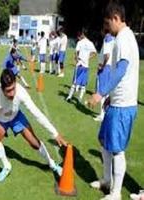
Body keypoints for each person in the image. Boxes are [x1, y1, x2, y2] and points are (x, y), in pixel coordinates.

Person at [88, 2, 139, 200]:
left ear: (116, 18)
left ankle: (115, 193)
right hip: (116, 102)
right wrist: (109, 97)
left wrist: (101, 93)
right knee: (103, 141)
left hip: (123, 105)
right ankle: (107, 180)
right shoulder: (123, 37)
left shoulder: (124, 39)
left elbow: (121, 70)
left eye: (108, 22)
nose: (107, 27)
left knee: (117, 150)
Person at [0, 69, 68, 182]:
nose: (12, 94)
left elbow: (36, 113)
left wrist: (55, 133)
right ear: (1, 89)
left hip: (16, 117)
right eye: (8, 91)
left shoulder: (20, 92)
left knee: (34, 142)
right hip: (0, 121)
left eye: (13, 88)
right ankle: (7, 166)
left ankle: (52, 164)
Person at [66, 29, 97, 103]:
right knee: (83, 84)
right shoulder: (90, 43)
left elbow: (76, 52)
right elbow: (94, 53)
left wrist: (77, 58)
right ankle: (79, 99)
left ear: (83, 34)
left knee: (75, 82)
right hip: (86, 66)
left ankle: (69, 97)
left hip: (79, 65)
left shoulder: (80, 42)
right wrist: (87, 58)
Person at [93, 29, 115, 122]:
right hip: (111, 67)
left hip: (106, 68)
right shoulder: (114, 39)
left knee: (102, 90)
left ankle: (102, 114)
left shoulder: (107, 39)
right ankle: (105, 113)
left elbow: (107, 55)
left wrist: (102, 65)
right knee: (107, 91)